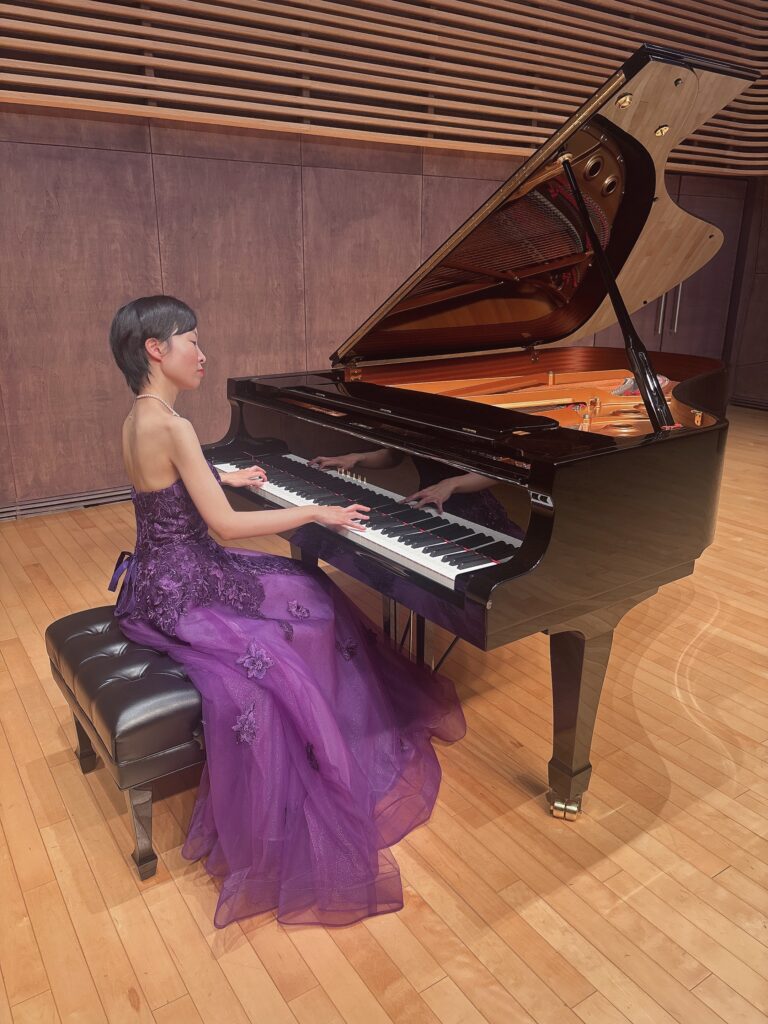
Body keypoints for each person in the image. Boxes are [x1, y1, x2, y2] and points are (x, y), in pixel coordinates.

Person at [107, 295, 465, 929]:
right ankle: (329, 744)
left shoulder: (141, 416)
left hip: (157, 578)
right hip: (191, 584)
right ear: (156, 350)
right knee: (315, 609)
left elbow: (169, 487)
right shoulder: (174, 426)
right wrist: (314, 512)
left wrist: (224, 476)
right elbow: (224, 528)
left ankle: (331, 725)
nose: (203, 353)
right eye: (192, 340)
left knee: (305, 590)